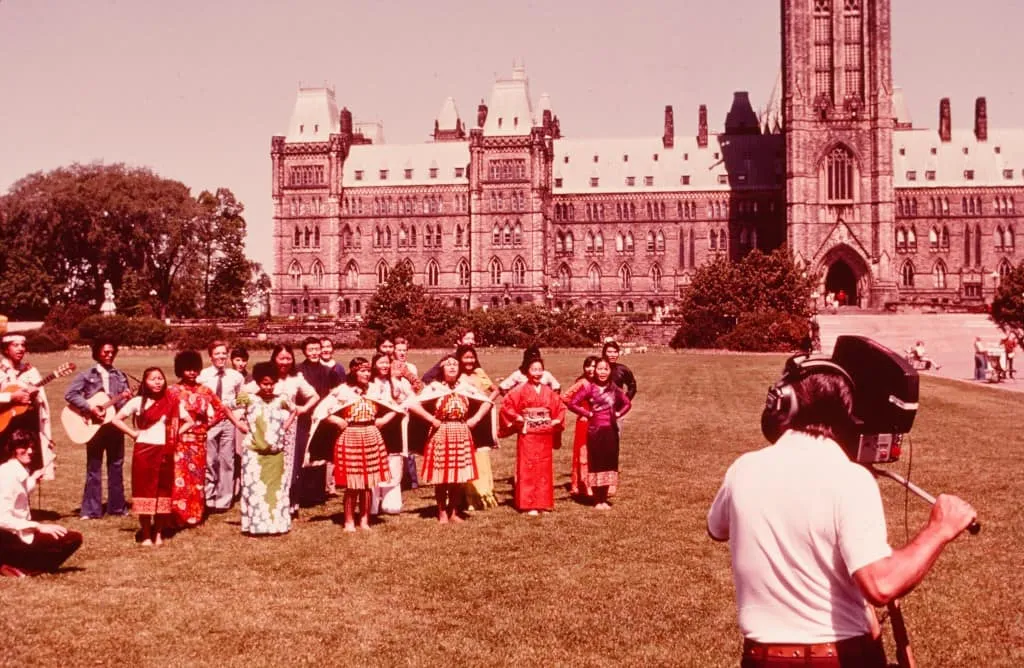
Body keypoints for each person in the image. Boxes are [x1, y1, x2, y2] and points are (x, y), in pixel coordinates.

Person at [706, 366, 977, 667]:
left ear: (783, 403)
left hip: (760, 658)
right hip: (837, 658)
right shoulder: (850, 478)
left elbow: (717, 528)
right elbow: (881, 585)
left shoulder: (742, 468)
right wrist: (939, 529)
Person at [110, 367, 193, 546]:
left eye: (160, 378)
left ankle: (158, 533)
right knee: (144, 492)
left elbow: (189, 421)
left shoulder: (172, 401)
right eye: (153, 379)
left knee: (163, 493)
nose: (157, 382)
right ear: (145, 382)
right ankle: (146, 534)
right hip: (144, 452)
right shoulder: (137, 402)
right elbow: (116, 419)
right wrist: (133, 434)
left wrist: (174, 434)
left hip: (165, 452)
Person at [408, 355, 490, 523]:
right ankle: (442, 511)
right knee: (442, 476)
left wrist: (475, 419)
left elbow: (487, 401)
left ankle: (453, 511)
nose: (452, 367)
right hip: (441, 433)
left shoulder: (466, 387)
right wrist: (431, 419)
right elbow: (412, 404)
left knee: (458, 477)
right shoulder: (435, 388)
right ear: (442, 368)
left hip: (461, 432)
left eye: (455, 364)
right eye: (448, 365)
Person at [171, 350, 247, 526]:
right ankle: (178, 515)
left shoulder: (205, 390)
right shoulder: (173, 391)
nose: (192, 373)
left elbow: (222, 409)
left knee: (198, 478)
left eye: (194, 369)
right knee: (180, 478)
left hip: (199, 441)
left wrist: (208, 425)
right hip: (180, 441)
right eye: (187, 369)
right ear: (180, 370)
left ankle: (196, 514)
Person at [322, 357, 398, 532]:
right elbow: (322, 411)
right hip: (350, 436)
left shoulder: (375, 389)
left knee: (367, 482)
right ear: (353, 371)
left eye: (368, 370)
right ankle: (349, 521)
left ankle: (364, 520)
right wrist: (337, 421)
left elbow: (395, 407)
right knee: (353, 483)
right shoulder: (342, 390)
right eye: (362, 370)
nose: (366, 374)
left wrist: (383, 420)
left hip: (371, 435)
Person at [243, 345, 319, 519]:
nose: (285, 362)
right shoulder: (266, 378)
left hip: (290, 428)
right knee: (270, 466)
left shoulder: (296, 378)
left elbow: (314, 396)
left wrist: (303, 409)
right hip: (267, 428)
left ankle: (290, 504)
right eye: (281, 358)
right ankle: (268, 503)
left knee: (290, 467)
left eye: (288, 358)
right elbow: (245, 394)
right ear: (274, 359)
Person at [0, 429, 83, 577]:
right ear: (12, 448)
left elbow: (20, 492)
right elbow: (2, 519)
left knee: (64, 537)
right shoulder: (7, 475)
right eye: (24, 447)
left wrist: (34, 478)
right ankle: (23, 568)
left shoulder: (13, 470)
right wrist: (39, 527)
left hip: (13, 534)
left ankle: (12, 562)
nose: (30, 451)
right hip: (7, 536)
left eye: (31, 447)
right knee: (72, 539)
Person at [64, 338, 131, 519]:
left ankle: (117, 507)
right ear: (97, 353)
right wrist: (89, 408)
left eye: (112, 352)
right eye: (105, 352)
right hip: (93, 427)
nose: (109, 355)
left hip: (114, 425)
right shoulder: (87, 375)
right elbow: (70, 394)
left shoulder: (120, 376)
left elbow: (123, 402)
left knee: (116, 465)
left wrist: (127, 399)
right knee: (94, 467)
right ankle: (91, 510)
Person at [499, 356, 566, 516]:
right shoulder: (520, 389)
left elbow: (560, 406)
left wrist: (557, 420)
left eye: (540, 369)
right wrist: (517, 417)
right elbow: (507, 405)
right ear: (527, 371)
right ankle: (529, 504)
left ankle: (543, 503)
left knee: (543, 468)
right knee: (528, 467)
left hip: (544, 435)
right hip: (528, 434)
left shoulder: (548, 391)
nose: (537, 373)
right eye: (533, 369)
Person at [235, 362, 296, 536]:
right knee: (255, 490)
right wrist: (238, 423)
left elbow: (295, 410)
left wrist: (284, 427)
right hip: (254, 453)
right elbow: (226, 407)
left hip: (276, 453)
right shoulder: (248, 398)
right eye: (264, 383)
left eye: (271, 383)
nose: (268, 387)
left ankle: (277, 525)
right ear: (257, 382)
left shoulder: (282, 398)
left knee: (275, 491)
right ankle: (255, 526)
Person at [566, 357, 631, 510]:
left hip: (611, 430)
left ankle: (604, 498)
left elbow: (627, 403)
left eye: (605, 369)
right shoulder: (589, 387)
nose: (602, 372)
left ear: (610, 371)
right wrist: (587, 414)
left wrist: (617, 414)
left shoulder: (614, 388)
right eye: (599, 369)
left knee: (609, 462)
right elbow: (572, 403)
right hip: (595, 431)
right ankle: (596, 500)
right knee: (596, 463)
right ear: (595, 371)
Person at [197, 340, 245, 513]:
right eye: (217, 353)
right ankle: (208, 498)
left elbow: (242, 398)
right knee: (210, 460)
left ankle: (224, 500)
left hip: (228, 421)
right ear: (210, 356)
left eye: (224, 353)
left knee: (227, 459)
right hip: (210, 422)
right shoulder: (203, 376)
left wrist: (237, 412)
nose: (221, 357)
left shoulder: (236, 376)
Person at [0, 332, 53, 479]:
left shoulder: (31, 371)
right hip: (3, 430)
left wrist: (35, 397)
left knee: (26, 473)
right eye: (15, 345)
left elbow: (42, 403)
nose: (20, 349)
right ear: (5, 349)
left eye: (23, 345)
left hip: (27, 429)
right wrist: (11, 397)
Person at [455, 345, 500, 510]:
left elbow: (495, 390)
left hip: (480, 418)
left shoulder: (479, 373)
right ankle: (465, 496)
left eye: (472, 357)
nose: (469, 361)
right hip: (463, 418)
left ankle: (483, 494)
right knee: (464, 455)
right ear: (460, 359)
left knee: (480, 455)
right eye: (466, 357)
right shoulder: (456, 375)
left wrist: (487, 401)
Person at [367, 353, 412, 516]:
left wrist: (389, 417)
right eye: (381, 363)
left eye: (387, 363)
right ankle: (371, 503)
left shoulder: (397, 383)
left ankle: (390, 502)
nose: (385, 366)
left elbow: (407, 402)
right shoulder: (368, 383)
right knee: (373, 461)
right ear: (374, 365)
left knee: (392, 461)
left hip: (393, 426)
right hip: (373, 425)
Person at [294, 337, 334, 509]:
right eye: (310, 349)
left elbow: (332, 393)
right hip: (304, 414)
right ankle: (302, 492)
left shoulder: (327, 370)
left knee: (319, 452)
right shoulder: (298, 370)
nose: (314, 353)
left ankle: (318, 493)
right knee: (303, 452)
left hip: (323, 415)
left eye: (317, 349)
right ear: (304, 351)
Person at [561, 356, 600, 499]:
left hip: (599, 422)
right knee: (583, 454)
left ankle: (596, 483)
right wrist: (583, 412)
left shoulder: (599, 383)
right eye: (588, 366)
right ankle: (583, 485)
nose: (591, 369)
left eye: (594, 366)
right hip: (584, 421)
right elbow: (565, 398)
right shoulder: (582, 383)